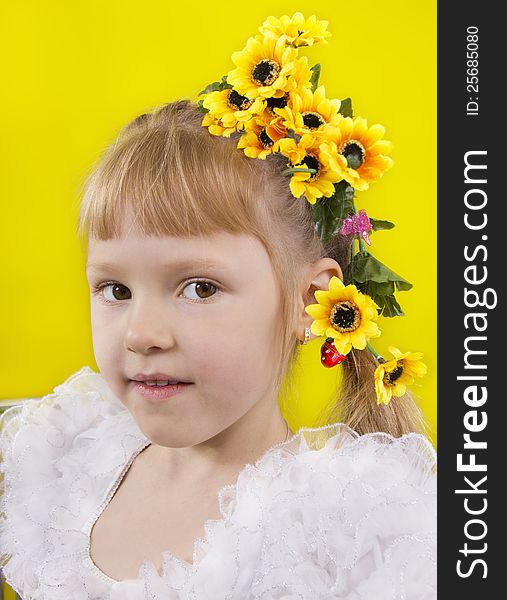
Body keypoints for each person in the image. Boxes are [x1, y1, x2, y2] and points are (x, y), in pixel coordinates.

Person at [0, 13, 436, 600]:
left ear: (313, 302)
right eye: (115, 290)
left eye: (199, 288)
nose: (141, 333)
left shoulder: (348, 529)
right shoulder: (61, 463)